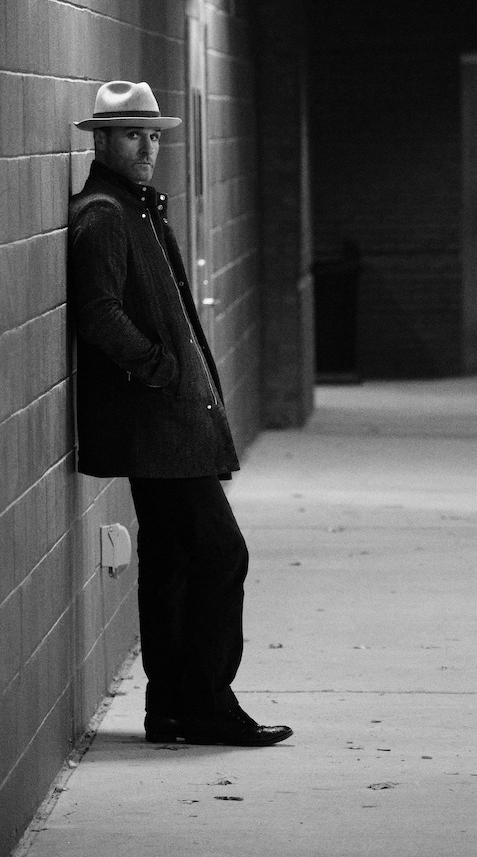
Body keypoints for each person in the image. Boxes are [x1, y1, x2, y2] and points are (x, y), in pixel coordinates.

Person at [69, 80, 292, 747]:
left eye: (154, 135)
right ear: (102, 140)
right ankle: (207, 705)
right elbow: (98, 311)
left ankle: (170, 707)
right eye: (133, 134)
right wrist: (159, 367)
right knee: (220, 552)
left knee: (171, 559)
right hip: (156, 422)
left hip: (160, 417)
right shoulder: (105, 214)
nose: (148, 146)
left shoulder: (134, 207)